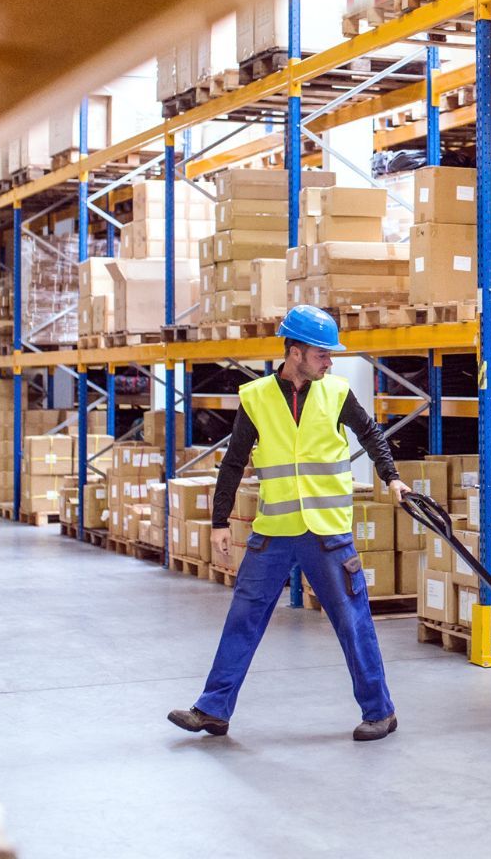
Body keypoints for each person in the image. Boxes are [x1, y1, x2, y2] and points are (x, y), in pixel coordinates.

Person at [167, 305, 407, 742]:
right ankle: (213, 710)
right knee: (243, 617)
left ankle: (380, 711)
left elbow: (371, 435)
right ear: (295, 353)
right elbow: (234, 461)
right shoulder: (255, 397)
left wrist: (391, 478)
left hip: (327, 534)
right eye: (322, 354)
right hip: (274, 533)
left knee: (353, 621)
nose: (330, 362)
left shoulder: (336, 393)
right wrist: (219, 521)